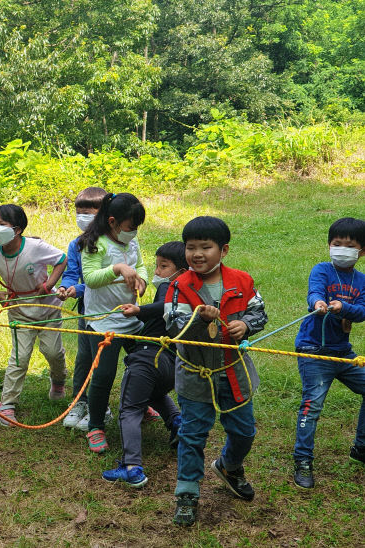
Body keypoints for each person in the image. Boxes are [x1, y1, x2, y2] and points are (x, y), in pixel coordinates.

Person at [164, 216, 267, 526]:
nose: (197, 254)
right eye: (190, 247)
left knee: (244, 430)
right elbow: (174, 329)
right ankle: (187, 493)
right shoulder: (179, 286)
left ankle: (229, 466)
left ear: (223, 250)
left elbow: (259, 314)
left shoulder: (242, 281)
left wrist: (247, 325)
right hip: (196, 374)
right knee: (192, 434)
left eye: (205, 247)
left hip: (235, 372)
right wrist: (201, 321)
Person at [102, 241, 186, 487]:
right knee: (154, 392)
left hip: (147, 358)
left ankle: (132, 467)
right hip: (171, 362)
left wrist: (139, 310)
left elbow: (165, 307)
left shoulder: (172, 287)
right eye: (157, 265)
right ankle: (177, 423)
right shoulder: (191, 291)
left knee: (130, 408)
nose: (157, 272)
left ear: (180, 270)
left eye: (164, 266)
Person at [292, 217, 365, 489]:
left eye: (350, 245)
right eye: (337, 244)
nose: (342, 249)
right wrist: (319, 302)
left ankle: (361, 447)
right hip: (313, 351)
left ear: (362, 251)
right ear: (329, 246)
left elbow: (362, 311)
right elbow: (314, 292)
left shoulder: (361, 281)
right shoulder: (321, 269)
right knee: (312, 406)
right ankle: (302, 460)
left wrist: (343, 307)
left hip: (343, 354)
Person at [0, 204, 68, 425]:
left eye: (2, 224)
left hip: (48, 310)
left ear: (17, 229)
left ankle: (58, 380)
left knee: (53, 352)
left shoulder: (35, 247)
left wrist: (49, 284)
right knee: (19, 358)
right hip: (19, 312)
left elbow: (61, 259)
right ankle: (7, 403)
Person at [79, 192, 148, 453]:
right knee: (104, 375)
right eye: (131, 227)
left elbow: (140, 265)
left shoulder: (131, 241)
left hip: (130, 317)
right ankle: (95, 426)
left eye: (136, 228)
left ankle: (142, 404)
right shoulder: (94, 244)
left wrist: (140, 278)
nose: (134, 232)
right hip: (102, 322)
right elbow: (91, 279)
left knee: (145, 365)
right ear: (112, 222)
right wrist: (118, 268)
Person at [58, 186, 109, 429]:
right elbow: (72, 274)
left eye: (88, 212)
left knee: (101, 360)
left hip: (110, 311)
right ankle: (80, 401)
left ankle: (101, 406)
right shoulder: (76, 244)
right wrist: (66, 287)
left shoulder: (112, 244)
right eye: (79, 212)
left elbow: (100, 279)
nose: (82, 218)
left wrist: (77, 289)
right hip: (85, 312)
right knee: (84, 358)